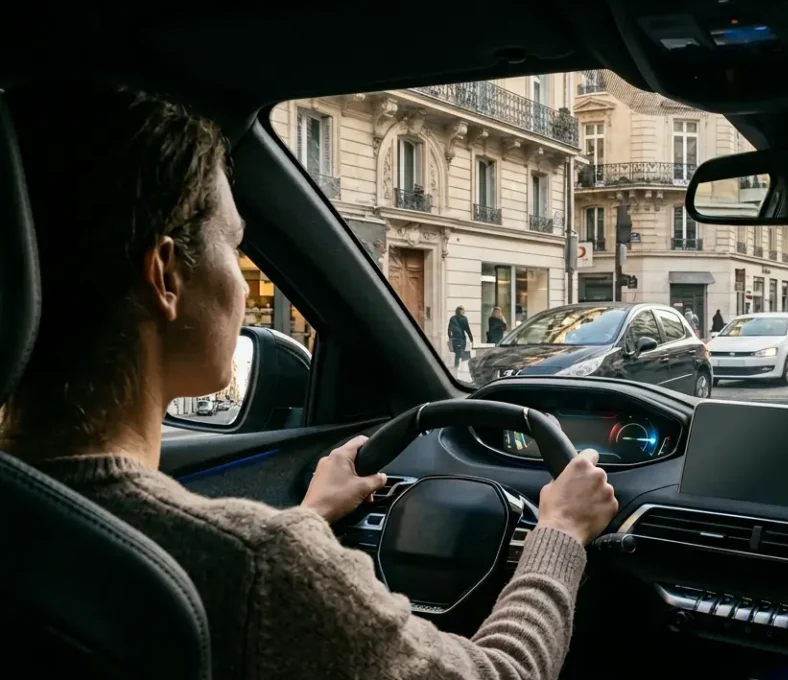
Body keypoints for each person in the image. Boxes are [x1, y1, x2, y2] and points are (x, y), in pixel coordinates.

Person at [0, 83, 619, 680]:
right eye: (236, 248)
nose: (244, 287)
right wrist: (560, 533)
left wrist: (312, 516)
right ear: (166, 276)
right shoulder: (262, 565)